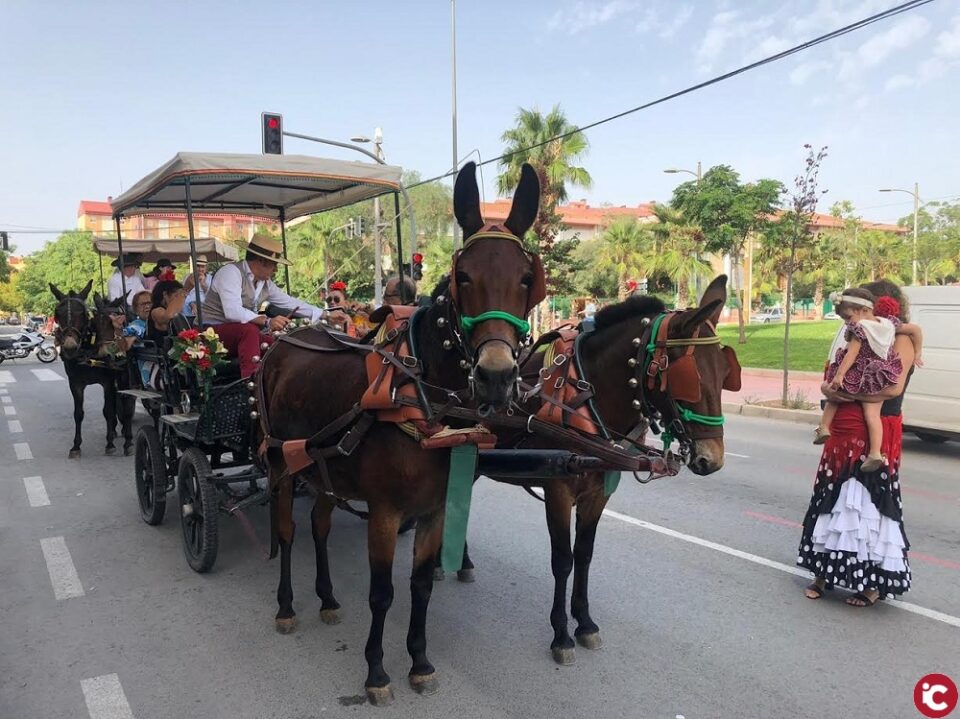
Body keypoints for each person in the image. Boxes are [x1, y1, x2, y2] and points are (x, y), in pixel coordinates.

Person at [798, 278, 917, 608]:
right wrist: (829, 390)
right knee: (831, 495)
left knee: (867, 502)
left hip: (878, 425)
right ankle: (823, 572)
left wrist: (847, 393)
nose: (858, 317)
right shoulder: (857, 334)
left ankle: (871, 583)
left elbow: (892, 389)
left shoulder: (900, 337)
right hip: (842, 428)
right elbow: (834, 373)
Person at [814, 287, 923, 472]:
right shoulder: (868, 331)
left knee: (860, 492)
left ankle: (874, 453)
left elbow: (892, 389)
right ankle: (824, 427)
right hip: (846, 433)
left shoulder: (896, 335)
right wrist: (827, 388)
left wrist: (843, 390)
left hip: (868, 429)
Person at [201, 233, 322, 377]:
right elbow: (232, 312)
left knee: (280, 345)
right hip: (210, 333)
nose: (276, 270)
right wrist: (267, 321)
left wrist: (325, 313)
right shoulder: (230, 272)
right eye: (274, 264)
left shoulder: (265, 283)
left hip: (240, 334)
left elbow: (289, 302)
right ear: (262, 261)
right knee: (249, 330)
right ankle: (251, 383)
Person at [148, 278, 187, 344]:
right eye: (176, 296)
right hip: (162, 351)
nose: (180, 300)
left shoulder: (177, 313)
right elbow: (167, 316)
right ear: (165, 295)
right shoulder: (156, 311)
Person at [182, 254, 210, 322]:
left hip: (205, 309)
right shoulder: (188, 277)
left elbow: (211, 296)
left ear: (206, 268)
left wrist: (203, 285)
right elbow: (184, 292)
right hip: (188, 308)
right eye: (198, 266)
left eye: (202, 267)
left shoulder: (210, 279)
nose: (200, 269)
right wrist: (192, 304)